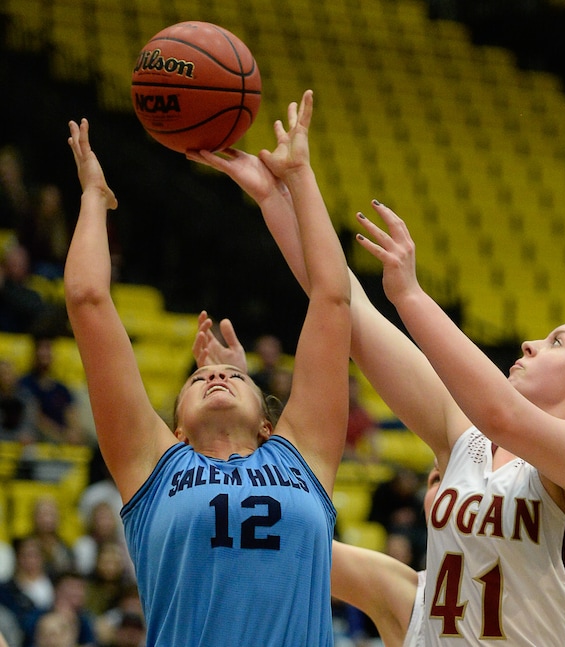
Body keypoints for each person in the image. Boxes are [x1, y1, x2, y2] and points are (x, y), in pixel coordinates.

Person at [190, 143, 565, 644]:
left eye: (557, 341)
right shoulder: (464, 441)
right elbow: (348, 313)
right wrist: (280, 195)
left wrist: (410, 294)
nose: (531, 343)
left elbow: (501, 415)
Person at [64, 88, 351, 647]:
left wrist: (300, 179)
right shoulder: (151, 465)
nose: (215, 375)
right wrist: (94, 199)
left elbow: (333, 301)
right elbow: (87, 299)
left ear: (268, 424)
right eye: (198, 380)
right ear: (174, 429)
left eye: (231, 377)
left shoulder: (304, 453)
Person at [192, 311, 441, 647]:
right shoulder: (409, 594)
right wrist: (242, 398)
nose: (433, 482)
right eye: (435, 476)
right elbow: (266, 535)